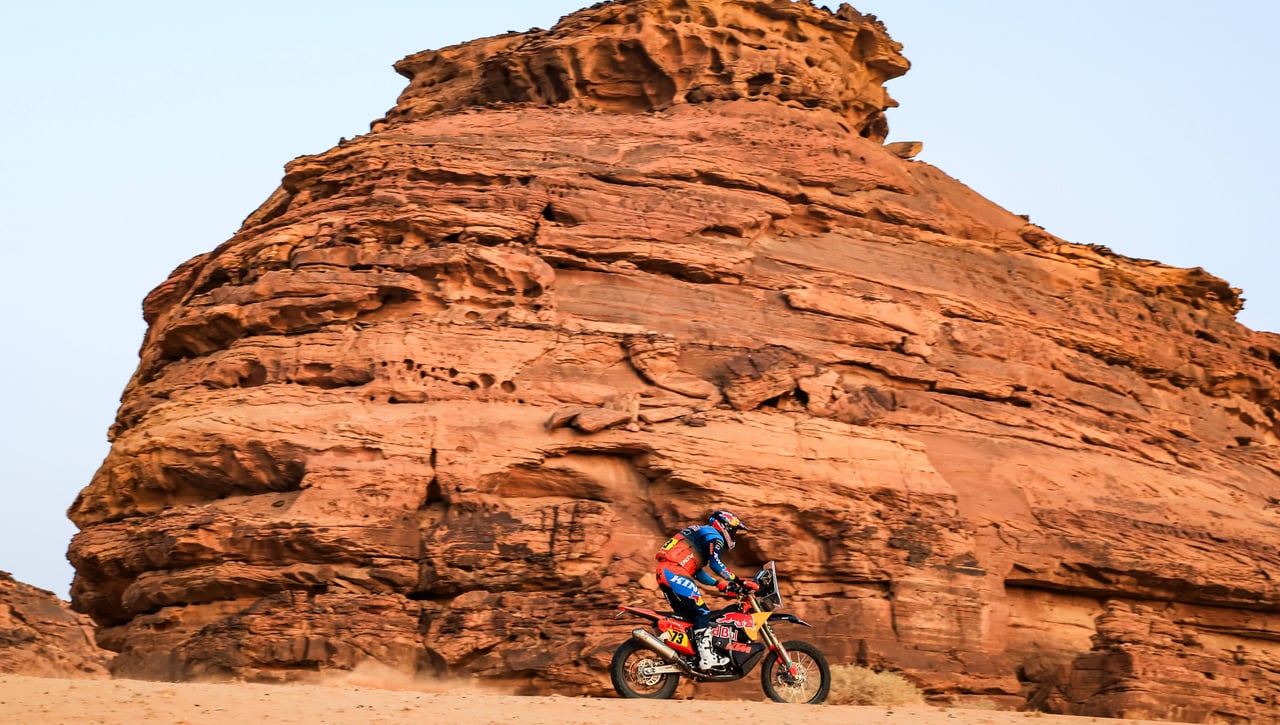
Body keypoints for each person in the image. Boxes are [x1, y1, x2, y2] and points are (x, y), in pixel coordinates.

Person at [654, 509, 758, 671]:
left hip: (667, 572)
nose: (733, 534)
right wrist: (739, 581)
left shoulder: (700, 537)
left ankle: (689, 657)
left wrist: (721, 585)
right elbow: (715, 564)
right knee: (702, 612)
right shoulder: (713, 535)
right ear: (725, 526)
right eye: (734, 530)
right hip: (673, 571)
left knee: (689, 619)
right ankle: (707, 657)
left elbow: (698, 573)